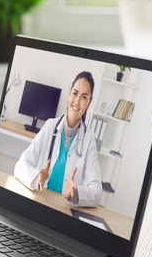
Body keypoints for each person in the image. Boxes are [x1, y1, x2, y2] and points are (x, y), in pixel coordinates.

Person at [14, 71, 102, 207]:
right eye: (75, 93)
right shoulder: (50, 126)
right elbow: (20, 165)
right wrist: (37, 177)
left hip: (64, 208)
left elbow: (96, 191)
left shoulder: (89, 139)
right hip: (40, 201)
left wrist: (77, 192)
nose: (77, 101)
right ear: (69, 94)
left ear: (89, 103)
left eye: (84, 97)